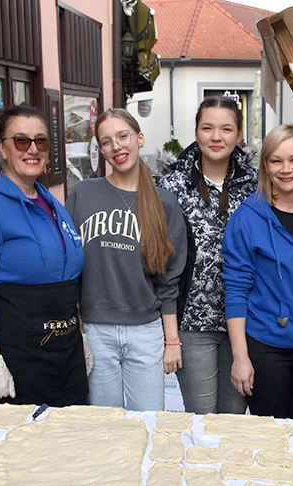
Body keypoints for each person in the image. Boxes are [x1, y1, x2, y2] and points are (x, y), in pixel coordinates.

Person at [0, 105, 86, 406]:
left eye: (41, 141)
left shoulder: (53, 203)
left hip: (65, 353)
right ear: (2, 147)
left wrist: (80, 334)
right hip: (17, 356)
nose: (33, 150)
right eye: (21, 141)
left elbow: (68, 278)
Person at [66, 108, 187, 410]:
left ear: (139, 138)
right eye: (106, 141)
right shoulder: (82, 194)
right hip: (96, 331)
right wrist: (78, 330)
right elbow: (68, 267)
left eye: (123, 136)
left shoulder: (164, 202)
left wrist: (171, 341)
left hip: (146, 331)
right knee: (105, 431)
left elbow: (168, 279)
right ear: (101, 150)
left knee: (148, 426)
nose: (116, 147)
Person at [158, 96, 258, 415]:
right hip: (193, 321)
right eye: (208, 128)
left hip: (244, 322)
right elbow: (162, 260)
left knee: (232, 419)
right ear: (196, 132)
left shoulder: (256, 185)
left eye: (226, 128)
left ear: (239, 134)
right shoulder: (172, 186)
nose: (217, 137)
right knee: (202, 420)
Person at [223, 124, 293, 418]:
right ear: (265, 165)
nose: (286, 169)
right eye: (276, 160)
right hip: (265, 346)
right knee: (271, 438)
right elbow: (236, 291)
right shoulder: (247, 219)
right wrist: (241, 359)